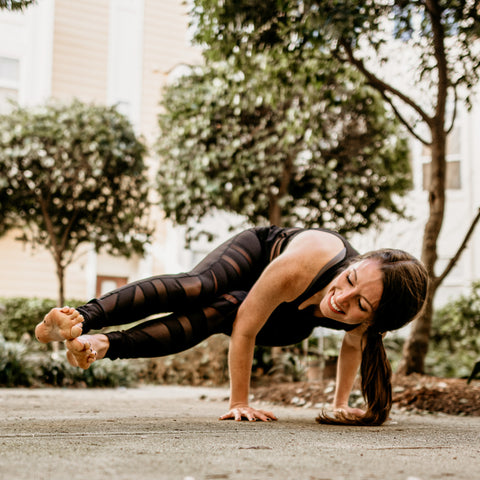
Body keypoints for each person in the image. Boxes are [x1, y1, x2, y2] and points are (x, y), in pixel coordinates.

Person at [35, 226, 428, 426]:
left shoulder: (370, 320)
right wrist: (239, 402)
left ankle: (103, 344)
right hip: (256, 256)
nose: (342, 299)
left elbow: (353, 347)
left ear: (376, 320)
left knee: (223, 311)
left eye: (360, 305)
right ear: (355, 265)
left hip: (287, 321)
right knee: (201, 288)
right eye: (351, 280)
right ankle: (83, 321)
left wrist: (341, 404)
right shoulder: (308, 261)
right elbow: (245, 329)